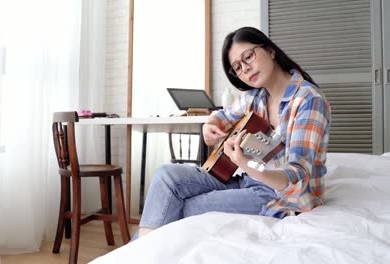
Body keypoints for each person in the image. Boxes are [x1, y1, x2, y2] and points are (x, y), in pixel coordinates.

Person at [133, 26, 331, 240]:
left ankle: (136, 253)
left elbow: (297, 177)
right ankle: (139, 252)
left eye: (248, 57)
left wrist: (246, 163)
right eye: (237, 66)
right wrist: (209, 127)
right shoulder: (255, 97)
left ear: (271, 51)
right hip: (248, 181)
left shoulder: (308, 100)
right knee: (166, 174)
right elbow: (223, 116)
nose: (245, 68)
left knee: (184, 206)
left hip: (278, 195)